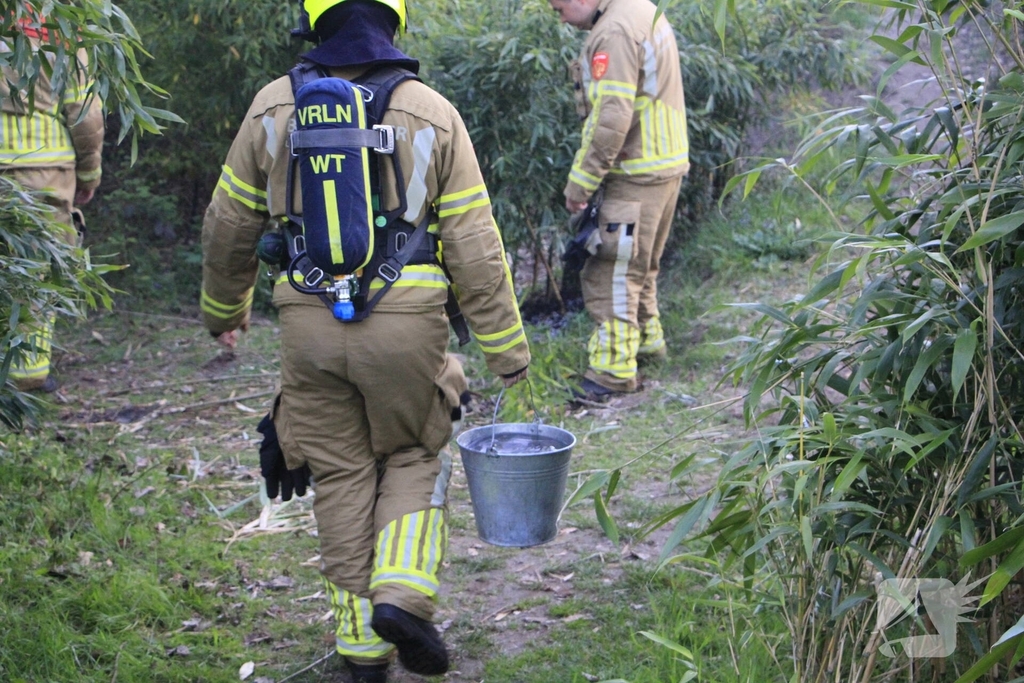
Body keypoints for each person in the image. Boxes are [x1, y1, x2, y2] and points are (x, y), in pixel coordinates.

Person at [199, 1, 530, 681]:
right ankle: (402, 596)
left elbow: (228, 221)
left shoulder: (270, 107)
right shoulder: (431, 111)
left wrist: (222, 309)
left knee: (339, 471)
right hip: (407, 324)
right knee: (414, 450)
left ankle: (361, 649)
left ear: (314, 21)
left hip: (308, 322)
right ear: (392, 19)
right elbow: (474, 241)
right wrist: (506, 349)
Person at [549, 0, 689, 400]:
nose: (560, 17)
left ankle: (611, 373)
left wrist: (581, 183)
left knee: (610, 271)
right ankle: (647, 344)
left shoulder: (614, 30)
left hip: (634, 172)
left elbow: (611, 118)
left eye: (558, 8)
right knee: (641, 267)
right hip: (664, 165)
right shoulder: (640, 9)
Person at [1, 13, 104, 393]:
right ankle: (25, 377)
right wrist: (89, 174)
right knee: (37, 274)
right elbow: (84, 116)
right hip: (44, 175)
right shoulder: (61, 30)